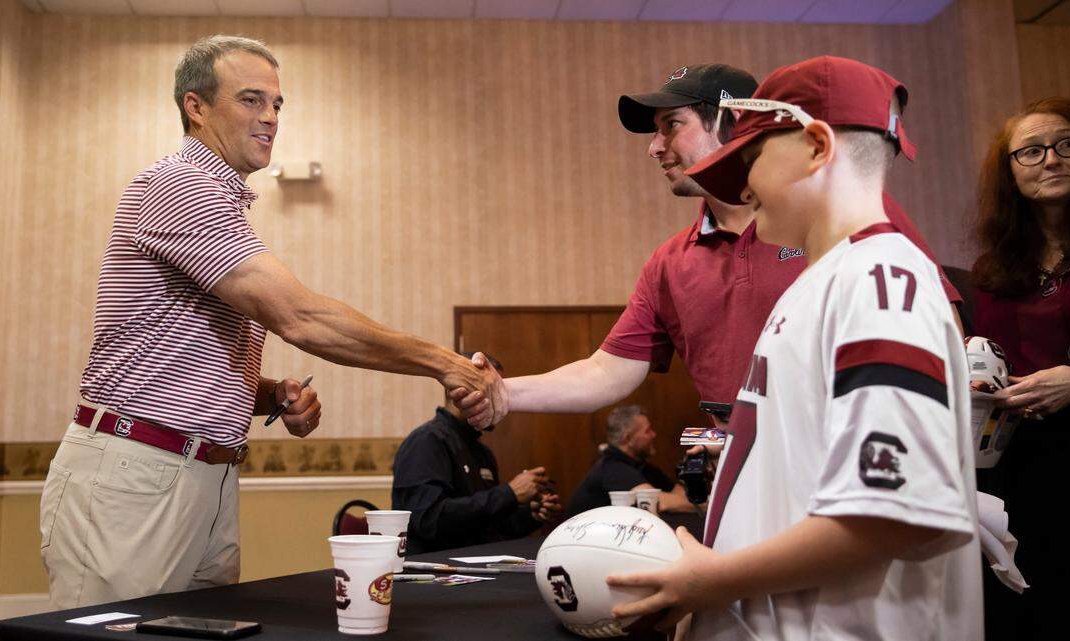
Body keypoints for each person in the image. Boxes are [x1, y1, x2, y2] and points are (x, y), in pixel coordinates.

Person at [38, 35, 499, 609]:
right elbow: (301, 318)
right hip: (138, 474)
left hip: (206, 478)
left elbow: (175, 362)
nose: (271, 117)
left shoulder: (224, 202)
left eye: (277, 104)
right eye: (251, 100)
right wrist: (447, 363)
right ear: (196, 106)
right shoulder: (179, 184)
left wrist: (271, 396)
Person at [607, 56, 981, 640]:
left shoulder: (879, 281)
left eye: (751, 160)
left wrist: (714, 581)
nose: (745, 186)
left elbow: (890, 515)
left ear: (814, 146)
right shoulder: (822, 281)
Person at [455, 63, 962, 435]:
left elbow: (944, 334)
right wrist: (505, 391)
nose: (654, 148)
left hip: (844, 460)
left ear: (734, 125)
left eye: (671, 125)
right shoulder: (669, 263)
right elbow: (605, 371)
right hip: (739, 474)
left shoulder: (843, 214)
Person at [970, 96, 1070, 639]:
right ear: (1009, 173)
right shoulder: (991, 268)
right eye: (1030, 152)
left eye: (1067, 144)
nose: (1051, 160)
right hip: (1015, 466)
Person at [392, 353, 561, 554]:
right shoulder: (427, 441)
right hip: (433, 570)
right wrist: (509, 493)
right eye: (492, 392)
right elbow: (429, 520)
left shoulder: (482, 452)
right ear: (457, 391)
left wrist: (530, 515)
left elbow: (490, 529)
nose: (502, 402)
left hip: (477, 565)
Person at [566, 405, 695, 516]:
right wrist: (707, 507)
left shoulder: (642, 466)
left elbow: (681, 496)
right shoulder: (612, 467)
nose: (653, 435)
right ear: (627, 438)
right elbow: (658, 502)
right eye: (647, 431)